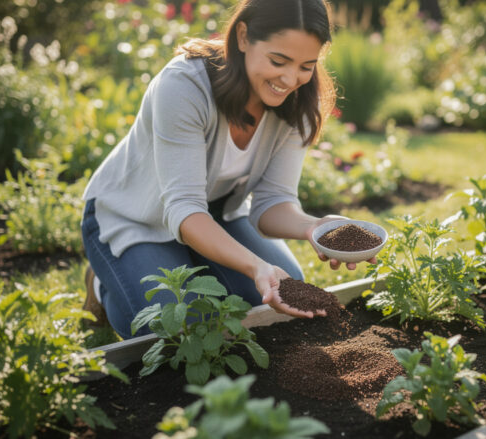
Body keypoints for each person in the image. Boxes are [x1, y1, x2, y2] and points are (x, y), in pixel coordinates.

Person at [80, 0, 373, 339]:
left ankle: (186, 259)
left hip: (216, 213)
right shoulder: (185, 85)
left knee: (282, 289)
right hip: (134, 218)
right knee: (178, 325)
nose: (291, 79)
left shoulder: (298, 103)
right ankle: (105, 285)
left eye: (306, 65)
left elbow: (272, 203)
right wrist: (256, 265)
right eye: (279, 61)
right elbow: (185, 208)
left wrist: (315, 227)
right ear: (244, 36)